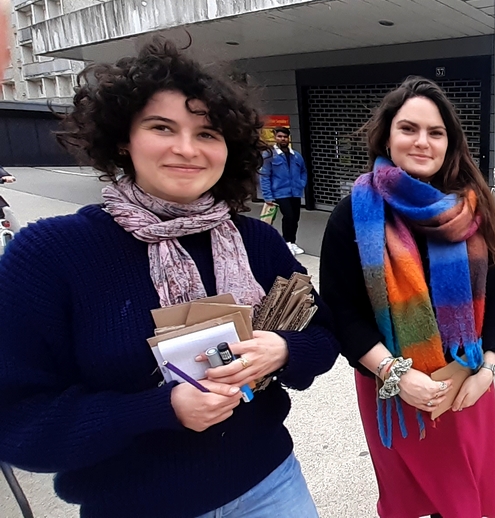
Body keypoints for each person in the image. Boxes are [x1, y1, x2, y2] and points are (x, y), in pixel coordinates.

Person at [0, 39, 340, 518]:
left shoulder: (256, 242)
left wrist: (282, 350)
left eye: (207, 134)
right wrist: (160, 410)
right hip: (137, 504)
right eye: (162, 127)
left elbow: (324, 338)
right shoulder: (51, 254)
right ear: (124, 139)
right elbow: (18, 422)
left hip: (271, 486)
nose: (186, 149)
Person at [320, 76, 495, 518]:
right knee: (407, 500)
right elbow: (341, 311)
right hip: (392, 391)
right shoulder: (354, 213)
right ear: (388, 134)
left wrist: (487, 371)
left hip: (466, 387)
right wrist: (397, 376)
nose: (422, 141)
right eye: (409, 128)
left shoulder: (472, 208)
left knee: (468, 502)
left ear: (449, 142)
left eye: (435, 132)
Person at [260, 127, 307, 255]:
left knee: (295, 218)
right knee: (289, 216)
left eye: (285, 137)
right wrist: (268, 196)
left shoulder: (296, 156)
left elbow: (303, 171)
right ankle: (286, 243)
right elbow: (264, 176)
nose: (283, 139)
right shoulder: (269, 155)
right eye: (280, 136)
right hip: (280, 192)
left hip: (295, 192)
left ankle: (292, 242)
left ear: (288, 138)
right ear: (276, 137)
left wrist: (301, 184)